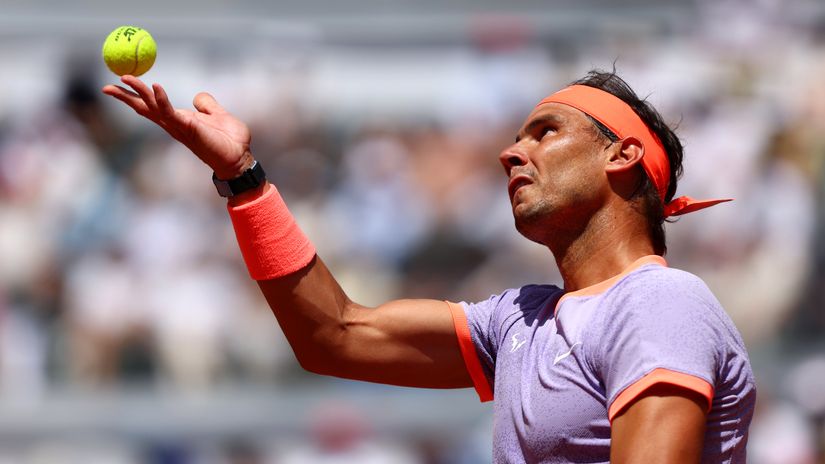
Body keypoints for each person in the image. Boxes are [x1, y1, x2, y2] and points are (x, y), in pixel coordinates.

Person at [103, 69, 756, 463]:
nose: (509, 152)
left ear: (621, 157)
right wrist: (242, 179)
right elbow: (334, 336)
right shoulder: (519, 321)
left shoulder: (659, 303)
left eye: (544, 132)